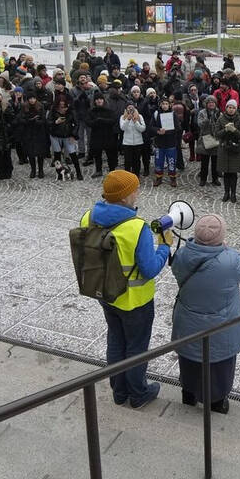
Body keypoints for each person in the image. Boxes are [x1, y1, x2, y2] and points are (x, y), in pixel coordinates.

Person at [80, 170, 170, 408]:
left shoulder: (88, 217)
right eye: (135, 189)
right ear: (124, 196)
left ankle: (119, 392)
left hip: (106, 294)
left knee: (116, 340)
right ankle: (138, 393)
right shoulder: (136, 227)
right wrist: (164, 247)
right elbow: (149, 269)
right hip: (135, 300)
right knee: (137, 348)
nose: (138, 192)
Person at [170, 214, 240, 414]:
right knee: (218, 367)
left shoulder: (181, 256)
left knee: (189, 361)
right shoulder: (230, 261)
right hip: (221, 327)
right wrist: (225, 247)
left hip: (188, 323)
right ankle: (216, 402)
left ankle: (188, 394)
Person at [215, 100, 240, 202]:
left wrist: (234, 130)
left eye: (233, 108)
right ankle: (226, 192)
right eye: (229, 107)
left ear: (236, 109)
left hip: (235, 149)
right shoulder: (221, 119)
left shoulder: (239, 119)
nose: (231, 109)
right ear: (226, 108)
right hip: (224, 148)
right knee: (226, 172)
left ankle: (233, 193)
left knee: (233, 173)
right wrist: (225, 130)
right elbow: (217, 134)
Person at [119, 103, 146, 176]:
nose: (130, 109)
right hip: (127, 143)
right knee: (127, 161)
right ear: (126, 109)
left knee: (136, 160)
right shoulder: (122, 117)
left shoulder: (139, 116)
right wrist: (128, 119)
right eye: (128, 108)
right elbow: (122, 128)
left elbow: (143, 129)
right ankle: (127, 176)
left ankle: (136, 175)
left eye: (132, 108)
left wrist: (136, 122)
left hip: (138, 142)